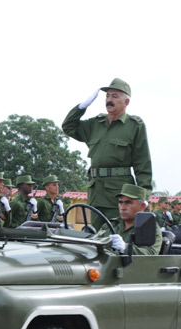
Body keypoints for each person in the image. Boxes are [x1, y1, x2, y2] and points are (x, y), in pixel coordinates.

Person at [62, 78, 152, 230]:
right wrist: (81, 107)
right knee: (95, 236)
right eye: (107, 96)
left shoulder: (134, 126)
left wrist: (144, 197)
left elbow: (142, 163)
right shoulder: (95, 124)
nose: (109, 100)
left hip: (119, 195)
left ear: (126, 102)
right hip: (96, 192)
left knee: (117, 235)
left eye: (115, 96)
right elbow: (68, 126)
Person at [100, 184, 162, 256]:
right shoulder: (110, 225)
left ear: (142, 206)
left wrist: (125, 248)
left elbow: (151, 253)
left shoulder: (150, 228)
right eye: (120, 202)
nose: (122, 208)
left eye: (128, 203)